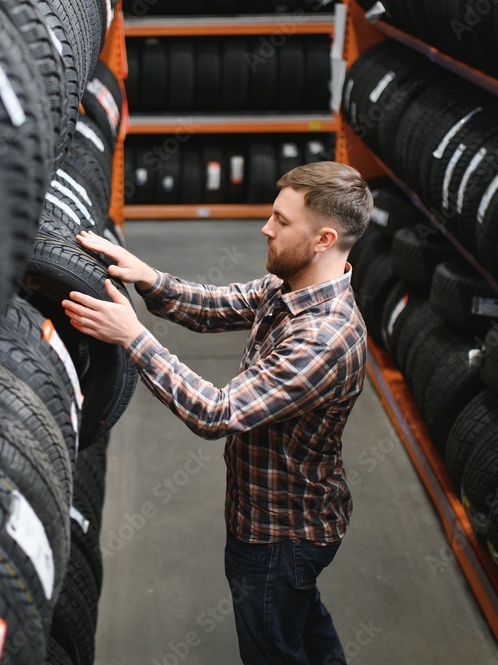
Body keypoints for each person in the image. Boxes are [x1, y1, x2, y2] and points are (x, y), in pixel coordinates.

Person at [61, 161, 373, 665]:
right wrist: (149, 278)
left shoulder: (323, 339)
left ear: (324, 239)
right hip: (280, 520)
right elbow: (217, 305)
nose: (266, 228)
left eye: (281, 221)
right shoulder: (291, 287)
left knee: (274, 646)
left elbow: (216, 412)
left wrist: (132, 337)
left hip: (280, 535)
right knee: (302, 627)